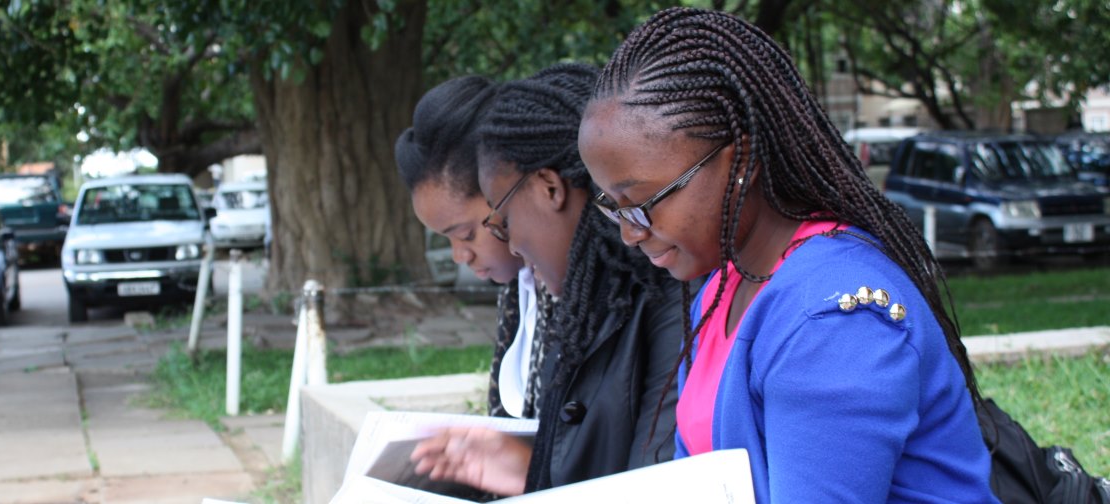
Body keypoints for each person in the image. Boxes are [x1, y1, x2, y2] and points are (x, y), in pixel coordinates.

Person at [577, 8, 996, 502]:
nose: (630, 233)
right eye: (614, 207)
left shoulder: (832, 322)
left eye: (643, 203)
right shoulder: (725, 285)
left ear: (742, 163)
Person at [409, 63, 686, 495]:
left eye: (502, 222)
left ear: (550, 188)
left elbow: (653, 480)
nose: (513, 247)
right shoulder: (569, 299)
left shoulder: (668, 296)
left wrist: (534, 473)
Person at [394, 76, 555, 420]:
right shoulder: (518, 290)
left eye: (466, 234)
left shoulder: (576, 288)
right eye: (446, 239)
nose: (459, 256)